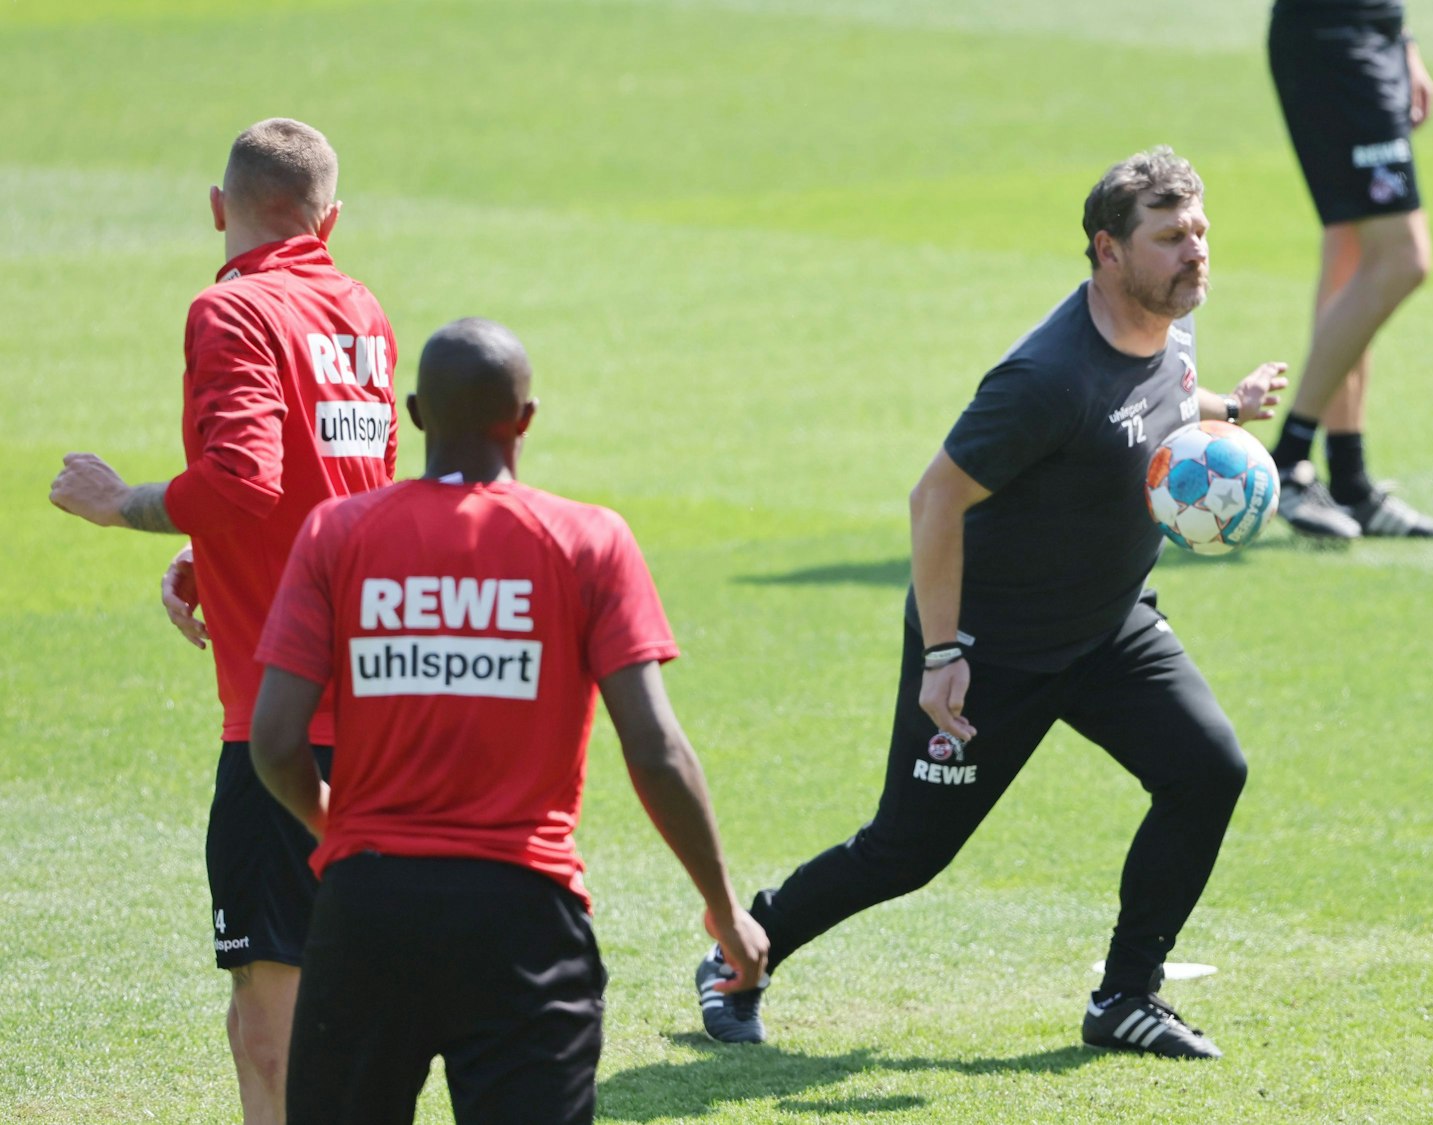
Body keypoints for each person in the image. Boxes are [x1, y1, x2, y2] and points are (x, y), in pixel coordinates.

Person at [692, 147, 1284, 1060]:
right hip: (989, 648)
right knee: (906, 852)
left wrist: (1227, 409)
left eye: (1200, 231)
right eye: (1170, 239)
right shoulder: (1043, 378)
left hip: (1108, 624)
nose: (1195, 252)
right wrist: (942, 653)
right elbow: (936, 500)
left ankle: (1126, 996)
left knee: (1209, 769)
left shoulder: (1169, 323)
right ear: (1108, 251)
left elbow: (1161, 396)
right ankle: (745, 948)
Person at [249, 319, 768, 1124]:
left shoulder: (337, 533)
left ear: (416, 413)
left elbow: (276, 741)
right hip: (522, 914)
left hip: (367, 908)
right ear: (525, 418)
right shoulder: (588, 541)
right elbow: (656, 751)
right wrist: (726, 911)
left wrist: (337, 828)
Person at [46, 118, 397, 1124]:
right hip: (369, 696)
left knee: (273, 1026)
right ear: (331, 222)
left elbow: (245, 476)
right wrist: (212, 558)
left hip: (280, 723)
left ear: (217, 209)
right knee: (321, 1006)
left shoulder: (231, 312)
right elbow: (346, 488)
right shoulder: (357, 309)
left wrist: (123, 502)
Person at [1265, 0, 1433, 539]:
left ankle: (1350, 483)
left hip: (1370, 32)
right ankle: (1288, 455)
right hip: (1333, 42)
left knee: (1352, 250)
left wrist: (1404, 40)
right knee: (1402, 260)